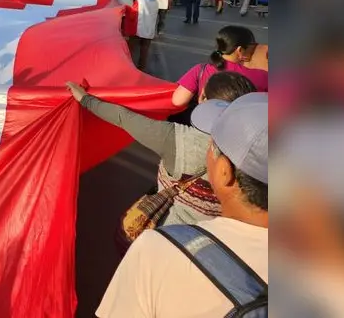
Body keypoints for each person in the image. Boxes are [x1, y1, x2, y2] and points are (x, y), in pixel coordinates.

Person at [97, 93, 268, 317]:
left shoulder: (155, 249)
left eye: (212, 147)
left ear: (225, 172)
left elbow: (124, 117)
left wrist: (86, 100)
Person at [68, 71, 257, 231]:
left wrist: (85, 99)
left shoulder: (176, 138)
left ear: (202, 99)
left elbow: (123, 118)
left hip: (171, 233)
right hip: (221, 240)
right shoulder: (258, 151)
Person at [172, 25, 269, 108]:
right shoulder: (262, 76)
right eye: (252, 48)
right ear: (240, 50)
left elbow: (178, 101)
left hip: (206, 120)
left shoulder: (201, 70)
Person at [134, 0, 158, 70]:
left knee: (133, 49)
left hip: (138, 27)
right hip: (150, 28)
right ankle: (142, 67)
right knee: (145, 50)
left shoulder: (139, 0)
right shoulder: (155, 1)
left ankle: (132, 67)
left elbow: (133, 12)